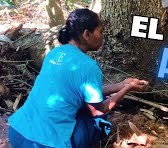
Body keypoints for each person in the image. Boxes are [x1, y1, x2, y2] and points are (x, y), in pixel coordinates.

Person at [8, 9, 149, 148]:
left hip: (17, 133)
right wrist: (128, 89)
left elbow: (76, 90)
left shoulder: (54, 53)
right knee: (100, 118)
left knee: (84, 105)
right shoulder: (89, 66)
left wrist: (121, 84)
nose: (102, 36)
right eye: (100, 32)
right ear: (87, 34)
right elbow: (98, 110)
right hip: (45, 144)